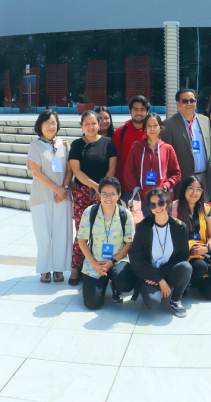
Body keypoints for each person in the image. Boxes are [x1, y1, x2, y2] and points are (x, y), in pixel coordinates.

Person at [67, 110, 119, 285]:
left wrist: (103, 188)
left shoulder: (108, 142)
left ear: (99, 124)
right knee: (82, 231)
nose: (90, 127)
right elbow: (76, 171)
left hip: (106, 195)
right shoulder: (76, 144)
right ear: (82, 126)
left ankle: (105, 267)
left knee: (104, 231)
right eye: (86, 124)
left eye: (93, 123)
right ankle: (76, 269)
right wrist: (97, 187)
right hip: (83, 193)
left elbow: (112, 166)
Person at [130, 189, 193, 317]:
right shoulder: (143, 228)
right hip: (149, 276)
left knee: (186, 267)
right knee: (153, 303)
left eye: (160, 203)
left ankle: (176, 300)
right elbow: (136, 258)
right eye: (153, 205)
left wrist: (162, 276)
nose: (157, 207)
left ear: (167, 203)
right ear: (149, 208)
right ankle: (154, 290)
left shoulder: (180, 227)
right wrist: (158, 278)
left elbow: (183, 256)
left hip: (168, 271)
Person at [74, 177, 135, 309]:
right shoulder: (90, 212)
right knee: (92, 303)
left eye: (112, 194)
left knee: (126, 283)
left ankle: (116, 286)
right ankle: (100, 281)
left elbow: (129, 243)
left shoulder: (126, 215)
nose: (108, 197)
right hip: (95, 261)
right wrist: (94, 264)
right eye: (104, 194)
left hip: (117, 260)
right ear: (99, 194)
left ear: (119, 195)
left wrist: (112, 261)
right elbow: (82, 241)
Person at [27, 110, 73, 284]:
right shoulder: (35, 146)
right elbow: (37, 173)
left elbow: (69, 169)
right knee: (43, 234)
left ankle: (59, 269)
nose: (51, 126)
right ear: (40, 125)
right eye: (47, 122)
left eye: (53, 122)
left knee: (62, 234)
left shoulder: (64, 144)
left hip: (63, 197)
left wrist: (65, 188)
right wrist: (57, 190)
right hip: (42, 197)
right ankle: (45, 269)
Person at [173, 175, 211, 301]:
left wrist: (206, 248)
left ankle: (193, 281)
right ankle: (183, 281)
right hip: (181, 255)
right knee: (200, 266)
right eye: (191, 188)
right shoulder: (175, 207)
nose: (195, 192)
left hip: (202, 253)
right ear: (184, 189)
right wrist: (188, 247)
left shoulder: (205, 208)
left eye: (199, 189)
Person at [160, 88, 211, 194]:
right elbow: (165, 160)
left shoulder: (205, 120)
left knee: (203, 210)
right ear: (177, 103)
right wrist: (169, 188)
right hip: (182, 181)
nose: (189, 103)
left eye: (192, 100)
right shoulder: (168, 124)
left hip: (203, 178)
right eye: (185, 101)